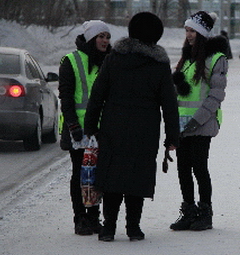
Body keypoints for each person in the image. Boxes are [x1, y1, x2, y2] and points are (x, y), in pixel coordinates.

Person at [84, 12, 180, 242]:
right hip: (145, 129)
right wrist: (172, 137)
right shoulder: (159, 64)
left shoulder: (114, 58)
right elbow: (169, 103)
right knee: (137, 176)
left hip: (113, 125)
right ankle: (133, 228)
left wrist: (90, 127)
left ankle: (108, 228)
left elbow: (98, 94)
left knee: (112, 175)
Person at [169, 11, 228, 231]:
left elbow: (216, 95)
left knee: (199, 168)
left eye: (192, 30)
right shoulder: (186, 59)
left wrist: (198, 120)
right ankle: (189, 211)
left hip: (203, 123)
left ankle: (205, 213)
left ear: (202, 33)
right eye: (187, 30)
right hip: (183, 124)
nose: (189, 34)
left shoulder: (216, 59)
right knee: (183, 168)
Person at [59, 20, 111, 236]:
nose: (105, 41)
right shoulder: (71, 61)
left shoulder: (110, 60)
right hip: (78, 130)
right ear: (91, 38)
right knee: (80, 174)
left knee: (99, 175)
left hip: (103, 129)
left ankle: (93, 216)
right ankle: (80, 218)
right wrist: (72, 124)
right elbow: (66, 96)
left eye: (107, 37)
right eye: (101, 36)